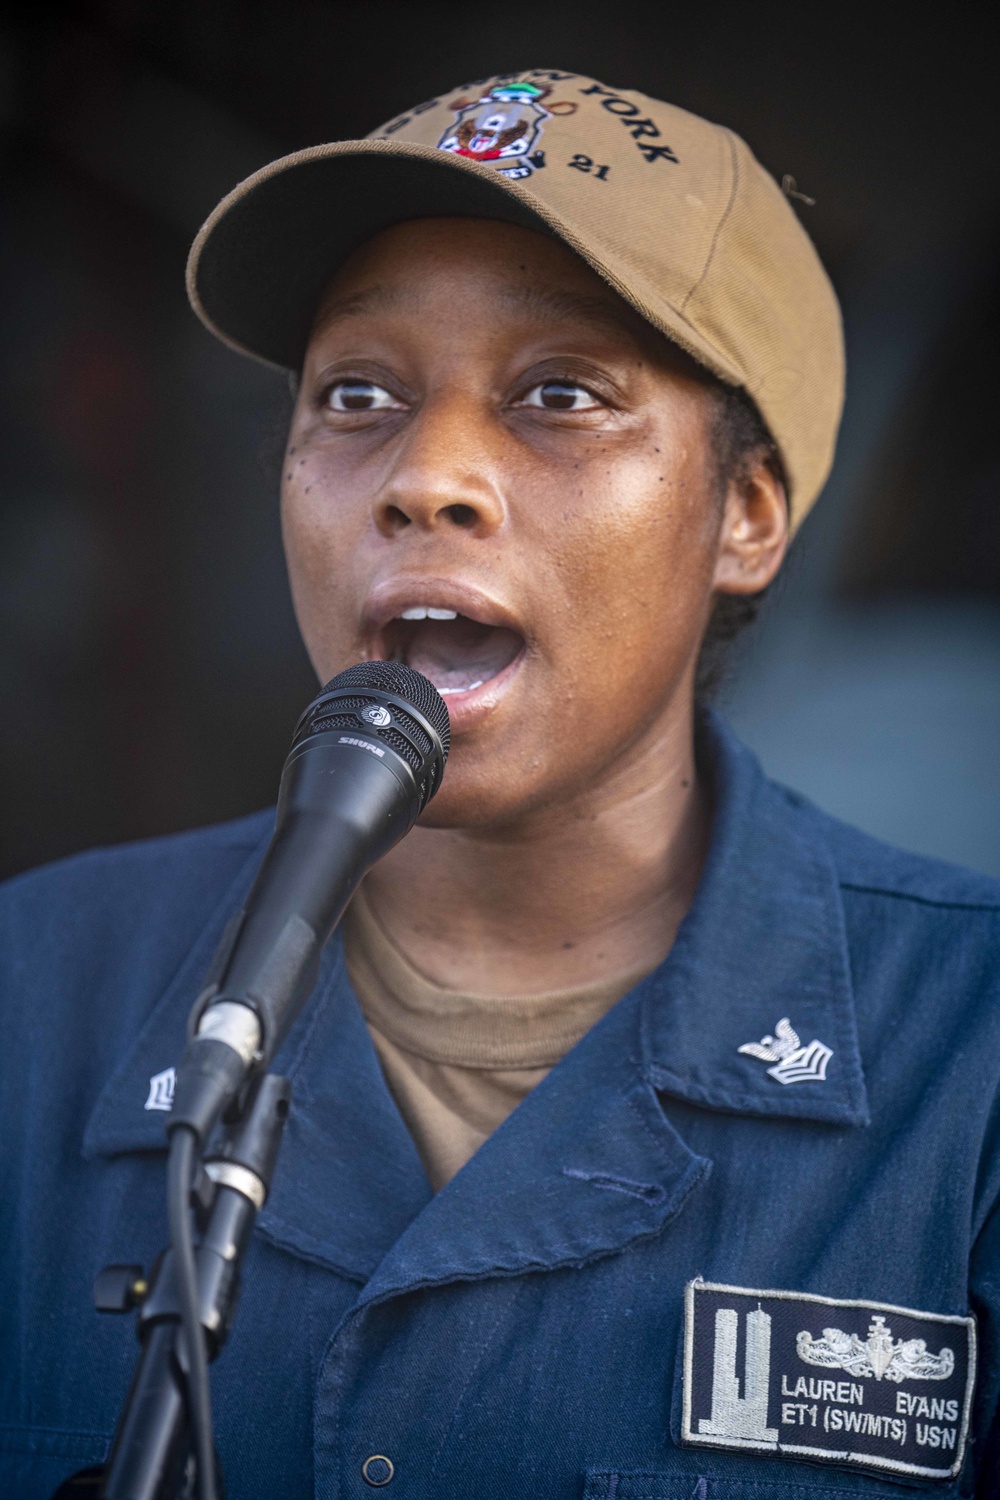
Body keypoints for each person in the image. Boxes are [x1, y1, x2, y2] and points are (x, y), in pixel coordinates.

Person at [2, 67, 998, 1499]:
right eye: (358, 393)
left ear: (748, 514)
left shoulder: (971, 1061)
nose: (427, 478)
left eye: (559, 395)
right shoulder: (31, 991)